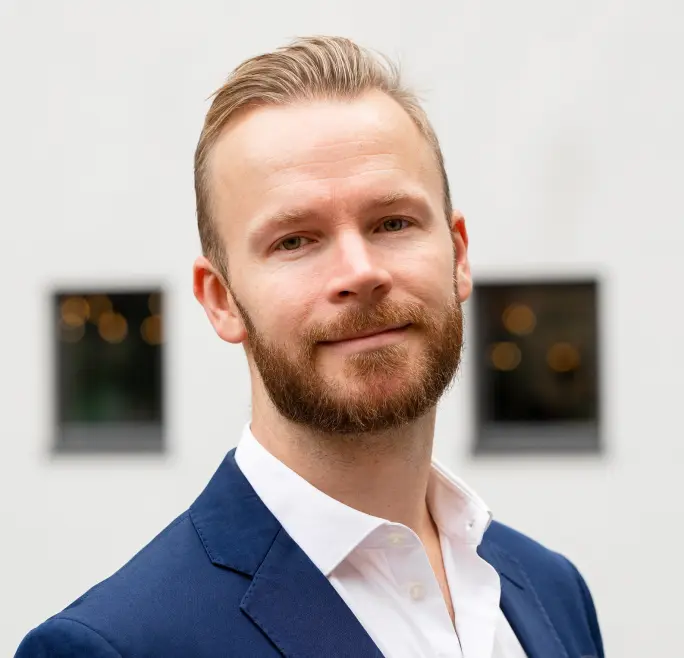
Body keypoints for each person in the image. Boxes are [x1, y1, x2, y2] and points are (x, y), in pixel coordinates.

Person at [16, 36, 604, 658]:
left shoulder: (552, 590)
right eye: (294, 241)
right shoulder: (116, 646)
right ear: (220, 299)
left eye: (393, 222)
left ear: (458, 255)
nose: (360, 271)